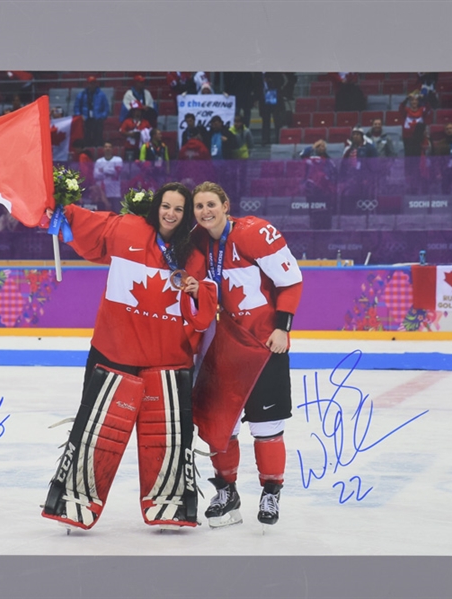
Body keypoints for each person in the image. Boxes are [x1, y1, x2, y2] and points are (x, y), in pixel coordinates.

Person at [41, 183, 218, 531]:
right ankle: (72, 501)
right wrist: (60, 206)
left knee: (167, 439)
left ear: (186, 216)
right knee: (93, 433)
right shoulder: (128, 229)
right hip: (114, 352)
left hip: (167, 360)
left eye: (178, 209)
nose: (170, 213)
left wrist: (199, 292)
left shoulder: (195, 253)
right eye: (165, 206)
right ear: (156, 207)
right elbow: (90, 226)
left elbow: (203, 312)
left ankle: (172, 507)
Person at [190, 181, 303, 528]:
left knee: (267, 426)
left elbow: (291, 281)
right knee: (219, 426)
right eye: (199, 206)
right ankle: (226, 492)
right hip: (221, 347)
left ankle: (271, 491)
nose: (205, 212)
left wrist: (282, 328)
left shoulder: (254, 233)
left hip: (263, 344)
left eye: (211, 204)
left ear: (226, 205)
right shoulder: (196, 240)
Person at [73, 75, 110, 148]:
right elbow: (76, 107)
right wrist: (80, 116)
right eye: (90, 83)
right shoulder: (82, 95)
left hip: (97, 119)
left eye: (93, 83)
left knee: (98, 138)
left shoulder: (101, 95)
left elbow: (106, 108)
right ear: (87, 84)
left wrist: (102, 116)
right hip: (86, 120)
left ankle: (98, 152)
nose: (92, 85)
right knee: (87, 138)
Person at [93, 142, 124, 212]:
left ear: (112, 149)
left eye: (109, 147)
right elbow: (96, 175)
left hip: (115, 193)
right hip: (102, 193)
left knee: (116, 213)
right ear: (103, 149)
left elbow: (117, 173)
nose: (108, 148)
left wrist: (103, 170)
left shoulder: (118, 160)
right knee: (102, 214)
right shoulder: (99, 161)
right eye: (106, 147)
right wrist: (110, 172)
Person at [433, 122, 452, 194]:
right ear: (445, 131)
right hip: (445, 170)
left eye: (451, 128)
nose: (449, 130)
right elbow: (437, 159)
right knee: (445, 190)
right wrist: (438, 172)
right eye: (447, 129)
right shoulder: (441, 143)